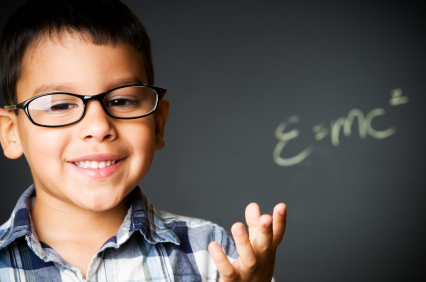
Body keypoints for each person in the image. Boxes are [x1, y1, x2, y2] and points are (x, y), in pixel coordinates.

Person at [0, 0, 286, 281]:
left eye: (122, 100)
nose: (99, 127)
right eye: (60, 105)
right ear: (11, 133)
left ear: (158, 123)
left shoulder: (215, 256)